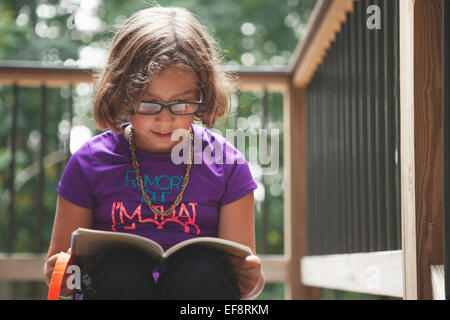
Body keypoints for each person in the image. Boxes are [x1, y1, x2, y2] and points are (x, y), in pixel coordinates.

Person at [44, 5, 265, 300]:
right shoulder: (89, 162)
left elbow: (244, 288)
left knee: (200, 268)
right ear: (122, 94)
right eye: (149, 103)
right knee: (120, 269)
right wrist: (62, 273)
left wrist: (252, 278)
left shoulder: (228, 165)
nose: (165, 119)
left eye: (181, 104)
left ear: (203, 95)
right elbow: (59, 278)